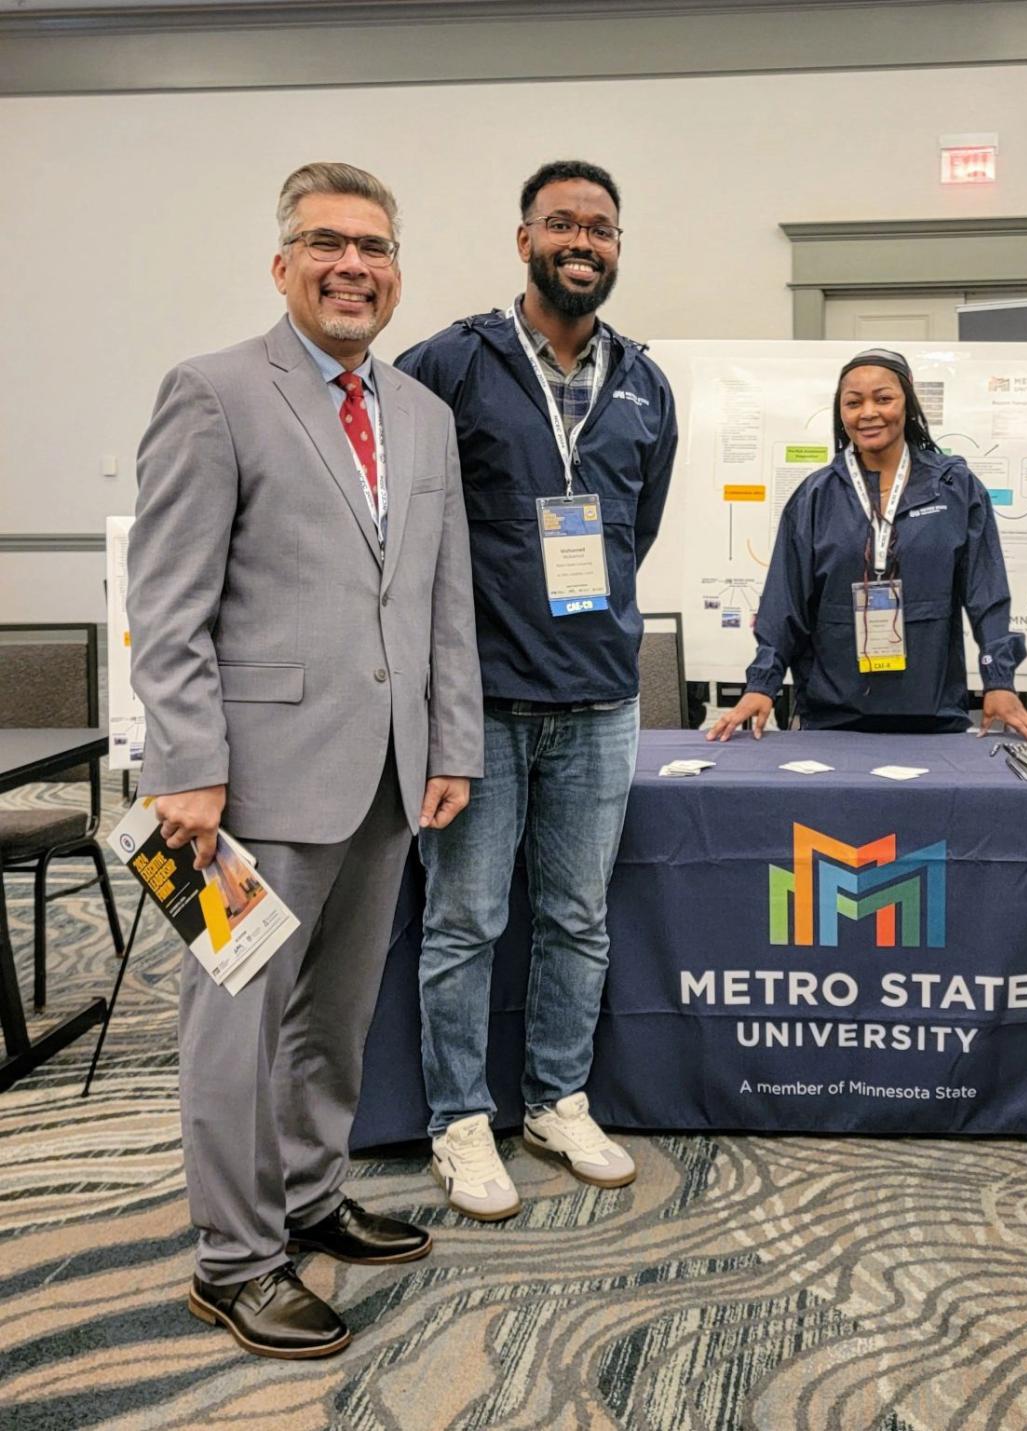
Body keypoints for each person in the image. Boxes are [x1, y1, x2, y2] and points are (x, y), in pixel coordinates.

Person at [127, 162, 482, 1357]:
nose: (353, 265)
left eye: (375, 247)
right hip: (243, 790)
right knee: (235, 1029)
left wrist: (451, 743)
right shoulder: (216, 393)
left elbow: (442, 601)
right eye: (328, 243)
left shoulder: (421, 414)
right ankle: (234, 1260)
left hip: (385, 778)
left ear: (396, 270)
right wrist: (185, 763)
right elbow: (166, 605)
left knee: (336, 1013)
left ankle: (308, 1196)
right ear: (282, 264)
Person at [397, 160, 676, 1221]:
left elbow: (628, 532)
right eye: (561, 222)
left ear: (616, 245)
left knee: (576, 918)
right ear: (524, 239)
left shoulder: (644, 382)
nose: (582, 241)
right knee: (465, 921)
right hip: (477, 706)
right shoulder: (448, 364)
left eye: (601, 227)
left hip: (600, 698)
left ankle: (556, 1099)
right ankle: (458, 1121)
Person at [709, 348, 1027, 740]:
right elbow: (785, 603)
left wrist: (999, 680)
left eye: (883, 398)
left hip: (933, 714)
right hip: (831, 717)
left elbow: (986, 594)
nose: (868, 412)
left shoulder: (955, 488)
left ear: (908, 404)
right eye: (853, 403)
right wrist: (761, 685)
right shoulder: (816, 496)